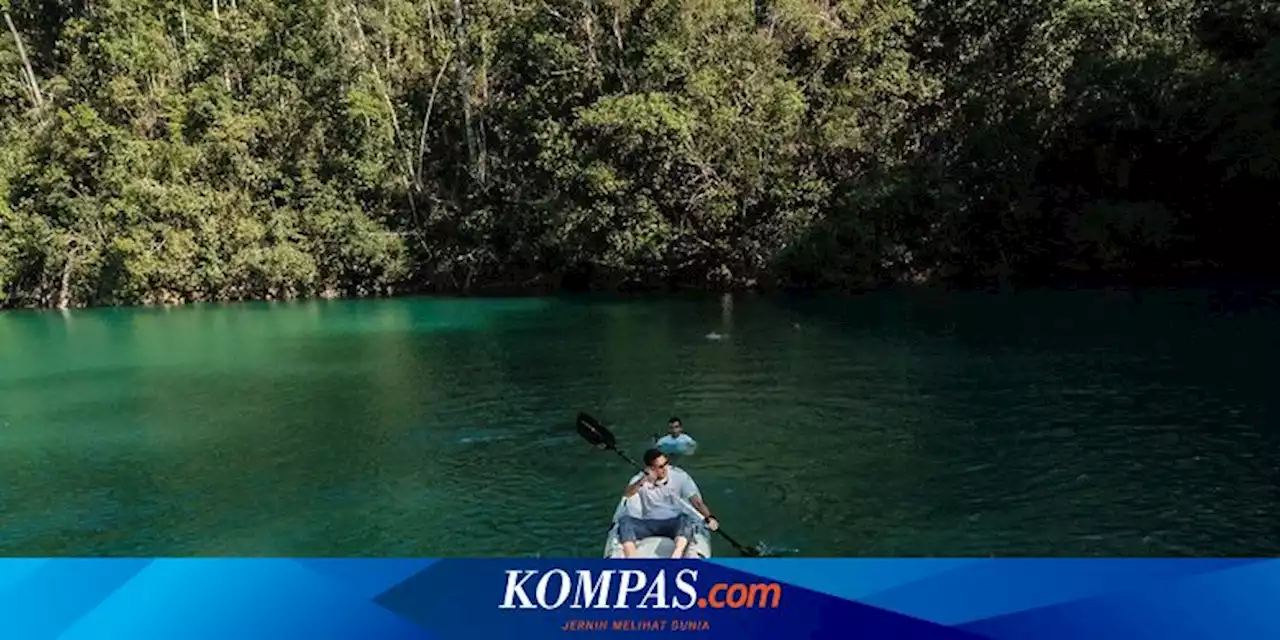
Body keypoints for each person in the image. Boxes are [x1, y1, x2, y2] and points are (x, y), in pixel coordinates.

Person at [616, 448, 719, 558]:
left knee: (686, 519)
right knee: (625, 521)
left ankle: (676, 554)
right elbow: (627, 494)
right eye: (660, 467)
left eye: (666, 464)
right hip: (648, 523)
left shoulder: (679, 475)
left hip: (673, 523)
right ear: (651, 468)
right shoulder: (640, 479)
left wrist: (710, 517)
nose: (665, 469)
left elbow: (696, 502)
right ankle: (631, 559)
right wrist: (643, 480)